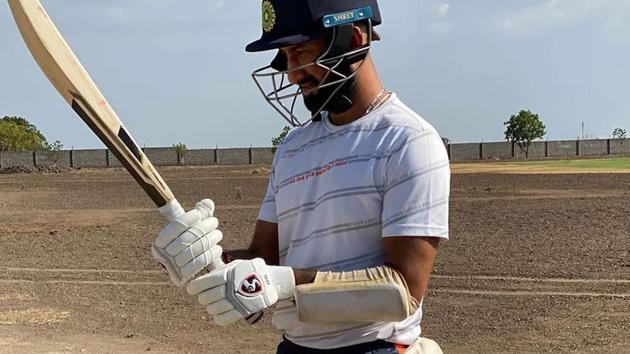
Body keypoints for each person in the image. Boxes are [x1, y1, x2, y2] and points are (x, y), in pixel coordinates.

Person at [151, 1, 450, 353]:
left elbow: (403, 291)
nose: (293, 74)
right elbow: (265, 263)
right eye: (285, 57)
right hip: (293, 347)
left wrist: (288, 283)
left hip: (374, 347)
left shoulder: (407, 141)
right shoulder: (293, 147)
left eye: (301, 52)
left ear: (353, 38)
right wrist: (207, 262)